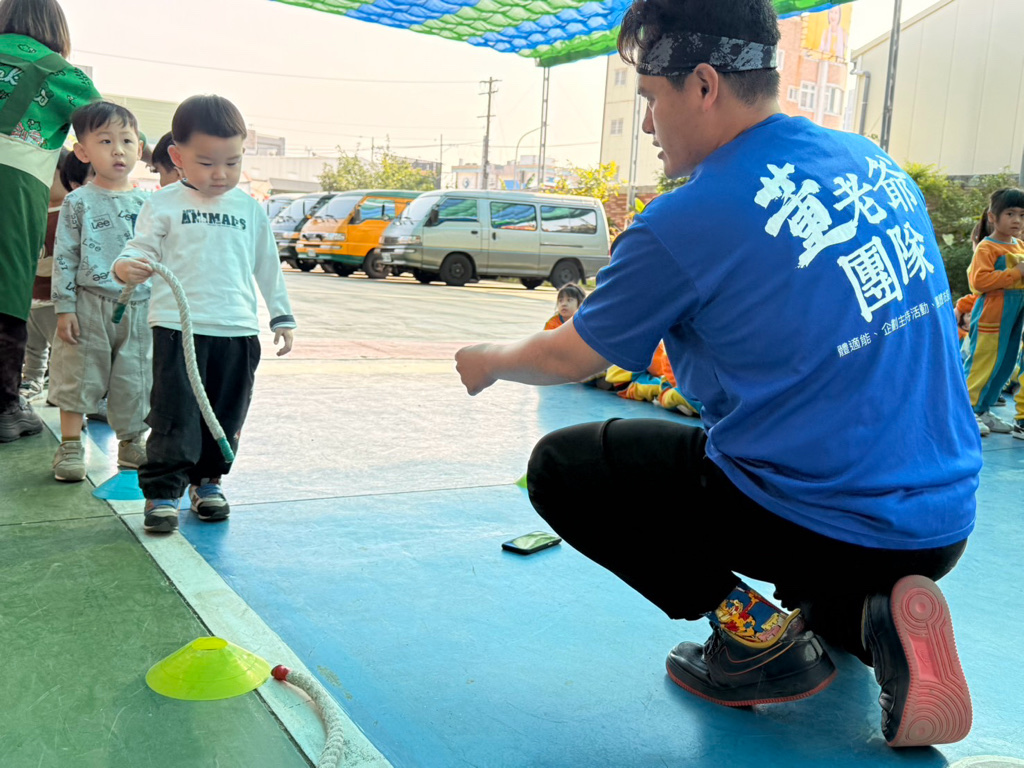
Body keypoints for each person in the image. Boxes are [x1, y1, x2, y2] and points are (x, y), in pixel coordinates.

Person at [455, 0, 978, 749]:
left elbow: (570, 356)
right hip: (941, 525)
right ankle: (878, 619)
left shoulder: (686, 220)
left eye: (650, 98)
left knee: (567, 467)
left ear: (703, 84)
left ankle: (752, 639)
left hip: (815, 520)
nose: (647, 125)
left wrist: (489, 360)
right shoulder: (872, 165)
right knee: (820, 583)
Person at [113, 94, 296, 534]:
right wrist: (125, 266)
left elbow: (267, 265)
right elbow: (138, 249)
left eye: (232, 162)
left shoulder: (248, 208)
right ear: (177, 157)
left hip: (237, 330)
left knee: (226, 413)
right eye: (207, 162)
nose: (221, 174)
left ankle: (208, 481)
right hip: (177, 329)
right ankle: (163, 492)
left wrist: (282, 316)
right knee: (174, 414)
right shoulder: (163, 203)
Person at [0, 0, 100, 443]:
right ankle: (5, 407)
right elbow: (108, 126)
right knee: (7, 289)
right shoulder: (61, 74)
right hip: (13, 189)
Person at [48, 101, 151, 481]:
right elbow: (65, 256)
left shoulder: (149, 204)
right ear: (83, 151)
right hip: (89, 304)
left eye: (126, 141)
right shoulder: (77, 202)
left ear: (140, 149)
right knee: (79, 374)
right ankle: (70, 444)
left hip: (140, 306)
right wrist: (65, 307)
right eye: (105, 141)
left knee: (135, 377)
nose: (118, 150)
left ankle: (132, 442)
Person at [962, 189, 1024, 436]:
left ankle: (983, 409)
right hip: (992, 315)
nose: (1017, 220)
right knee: (983, 363)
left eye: (1022, 215)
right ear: (992, 217)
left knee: (1005, 364)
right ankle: (967, 412)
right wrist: (1016, 272)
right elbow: (978, 282)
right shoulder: (986, 247)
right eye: (1010, 214)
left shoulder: (1020, 245)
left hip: (1015, 316)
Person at [19, 147, 71, 403]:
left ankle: (63, 388)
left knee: (61, 347)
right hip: (31, 295)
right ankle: (32, 379)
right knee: (32, 345)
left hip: (55, 299)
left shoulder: (69, 211)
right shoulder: (34, 210)